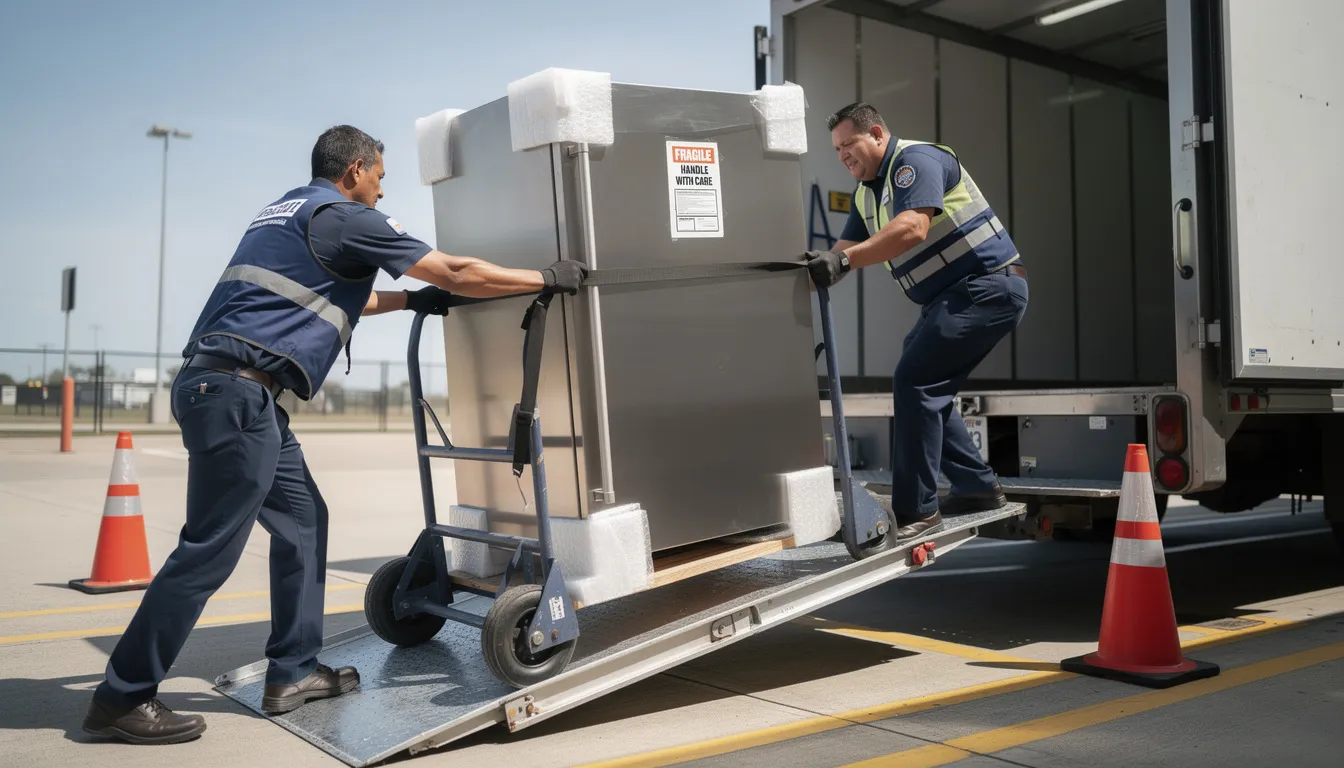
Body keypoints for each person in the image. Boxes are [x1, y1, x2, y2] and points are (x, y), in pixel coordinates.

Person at [82, 125, 588, 745]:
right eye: (379, 176)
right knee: (208, 550)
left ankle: (293, 672)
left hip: (234, 392)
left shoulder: (289, 213)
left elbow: (339, 299)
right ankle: (123, 695)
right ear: (354, 170)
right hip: (237, 395)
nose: (382, 190)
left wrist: (411, 302)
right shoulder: (346, 217)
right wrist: (544, 278)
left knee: (304, 522)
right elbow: (456, 270)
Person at [804, 102, 1028, 542]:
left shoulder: (915, 162)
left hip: (988, 286)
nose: (842, 155)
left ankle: (917, 511)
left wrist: (842, 260)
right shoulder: (866, 194)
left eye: (849, 143)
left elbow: (912, 228)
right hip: (953, 297)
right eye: (836, 149)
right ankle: (977, 487)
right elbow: (840, 255)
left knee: (914, 380)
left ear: (877, 134)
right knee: (925, 385)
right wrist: (802, 276)